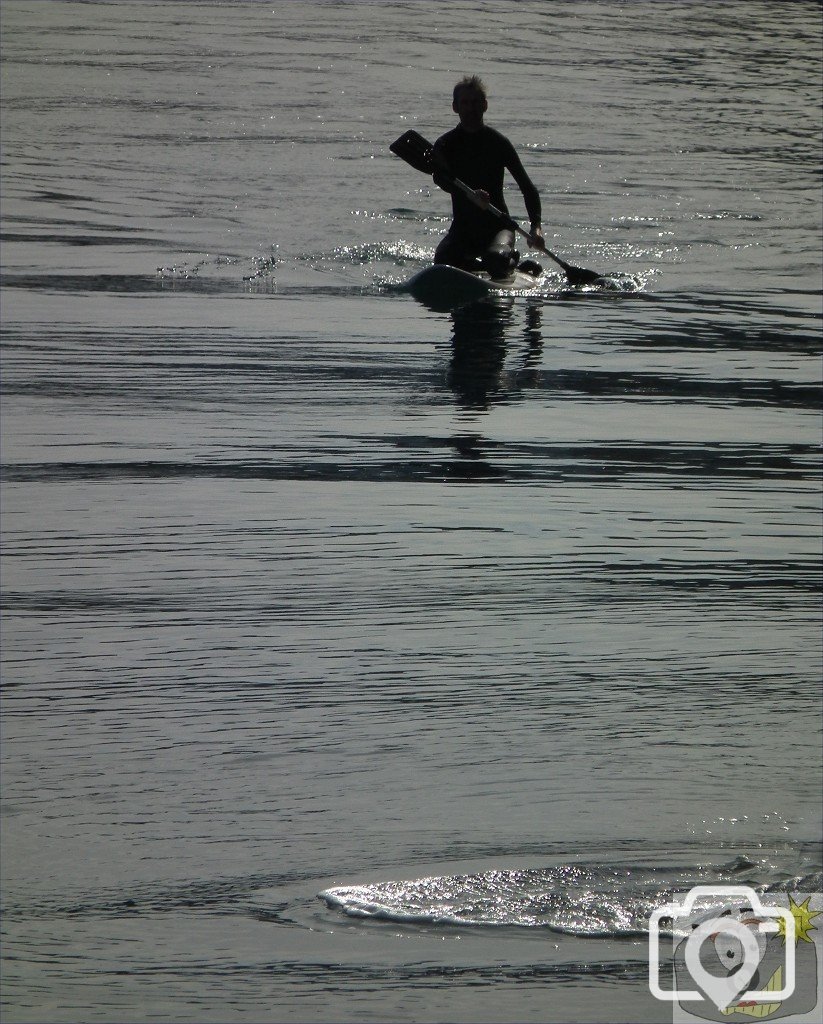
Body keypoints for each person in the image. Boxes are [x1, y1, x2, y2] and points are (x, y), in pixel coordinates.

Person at [432, 75, 544, 279]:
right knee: (442, 261)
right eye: (465, 103)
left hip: (498, 227)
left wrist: (536, 227)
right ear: (455, 107)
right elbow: (441, 179)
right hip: (463, 228)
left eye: (475, 103)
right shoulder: (445, 145)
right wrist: (469, 194)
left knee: (494, 261)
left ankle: (510, 261)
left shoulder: (498, 143)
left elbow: (527, 187)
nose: (470, 108)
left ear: (484, 106)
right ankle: (492, 265)